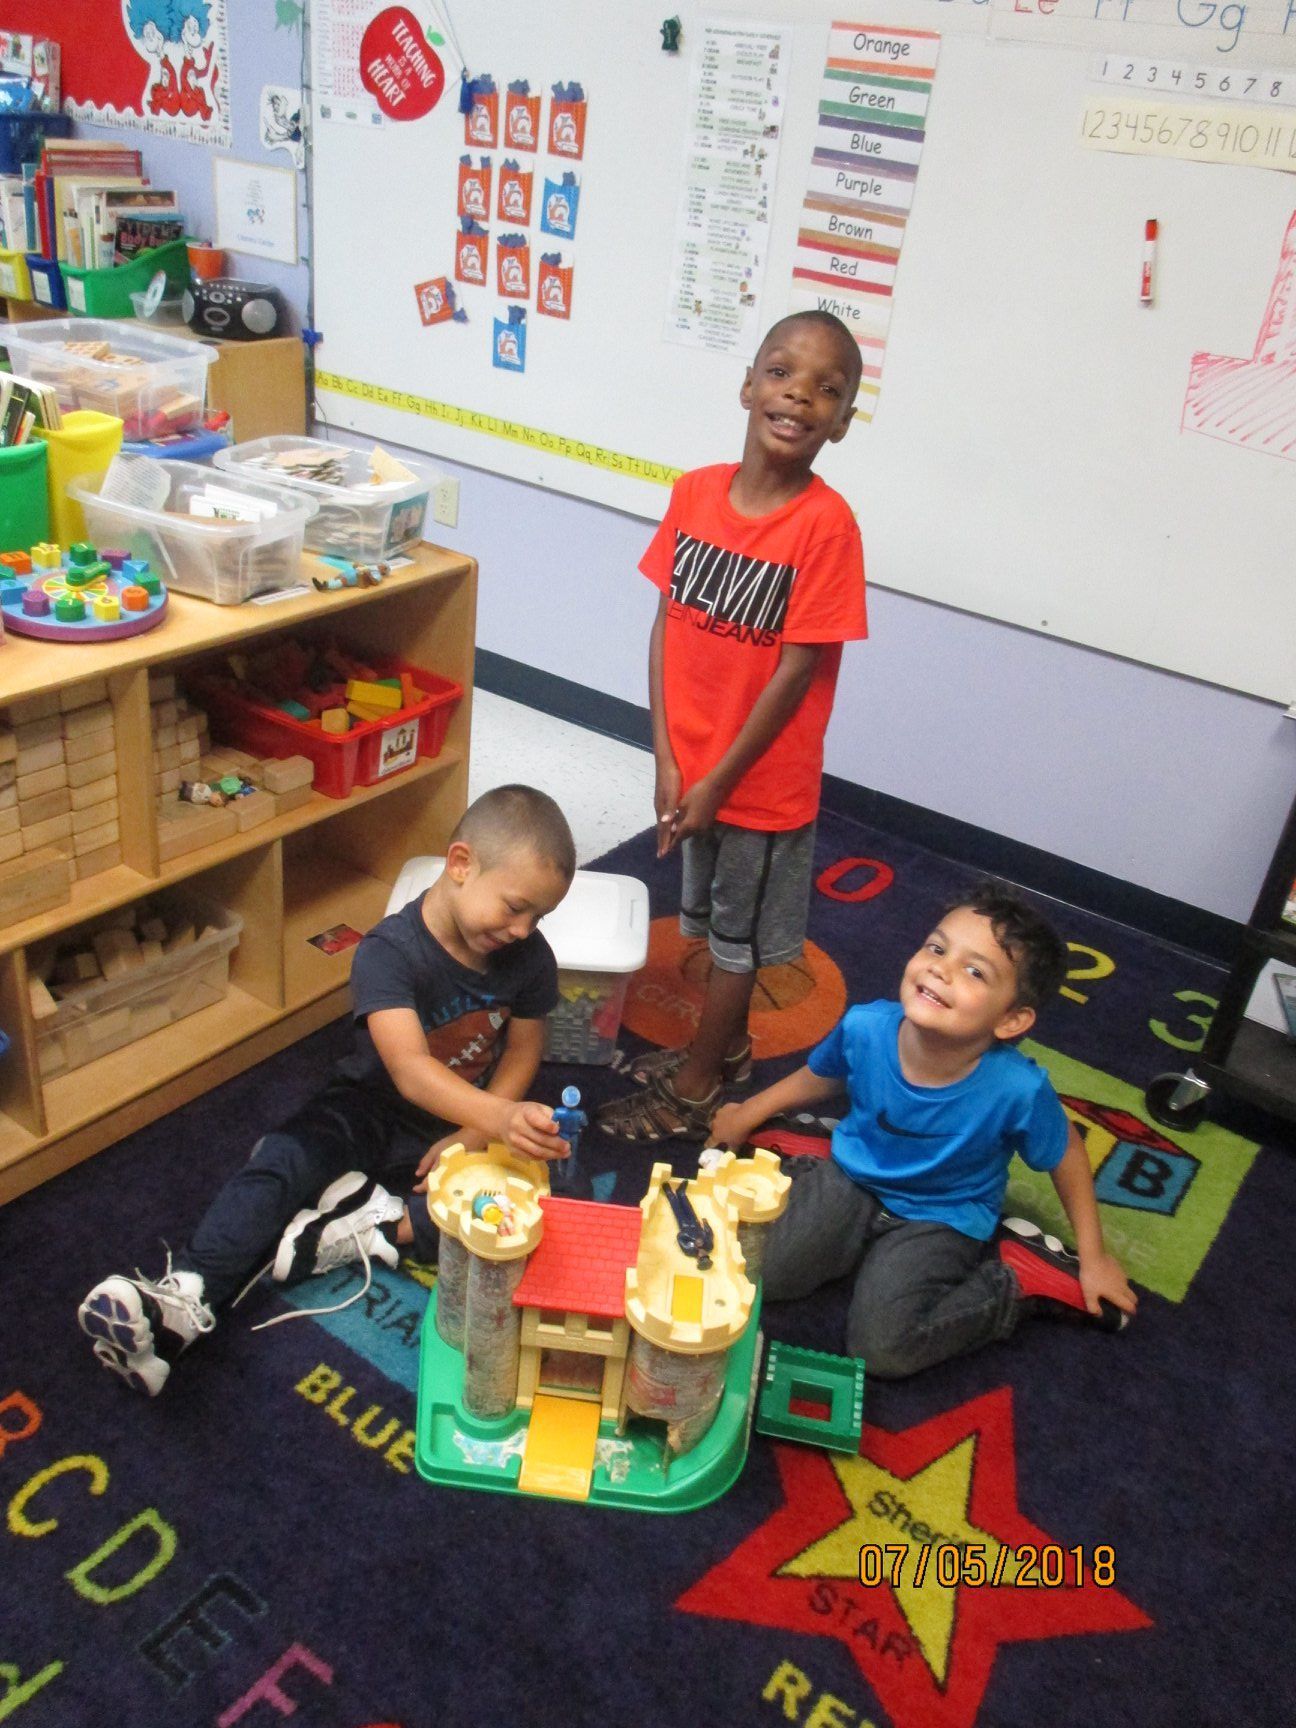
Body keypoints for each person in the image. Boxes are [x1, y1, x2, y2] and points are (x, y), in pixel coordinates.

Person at [78, 785, 577, 1395]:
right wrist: (497, 1118)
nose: (525, 930)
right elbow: (411, 1071)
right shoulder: (388, 952)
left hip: (461, 1122)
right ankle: (185, 1297)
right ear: (461, 864)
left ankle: (361, 1231)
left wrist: (473, 1135)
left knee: (522, 1215)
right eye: (515, 907)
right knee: (282, 1161)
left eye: (539, 918)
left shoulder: (530, 957)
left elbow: (524, 1048)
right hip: (367, 1104)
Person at [598, 309, 867, 1142]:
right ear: (748, 385)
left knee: (735, 945)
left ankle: (698, 1086)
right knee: (708, 923)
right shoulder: (695, 493)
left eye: (828, 389)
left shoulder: (827, 526)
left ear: (844, 421)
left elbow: (796, 670)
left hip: (760, 785)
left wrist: (716, 781)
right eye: (782, 373)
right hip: (695, 767)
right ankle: (730, 1050)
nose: (799, 397)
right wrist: (668, 758)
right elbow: (665, 624)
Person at [709, 883, 1138, 1379]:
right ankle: (812, 1143)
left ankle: (1019, 1278)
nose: (941, 967)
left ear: (1012, 1019)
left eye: (975, 971)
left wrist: (1094, 1256)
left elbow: (1066, 1153)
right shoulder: (866, 1026)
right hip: (855, 1174)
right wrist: (748, 1113)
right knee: (756, 1273)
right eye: (937, 948)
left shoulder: (1017, 1088)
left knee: (883, 1351)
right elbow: (822, 1076)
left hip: (945, 1213)